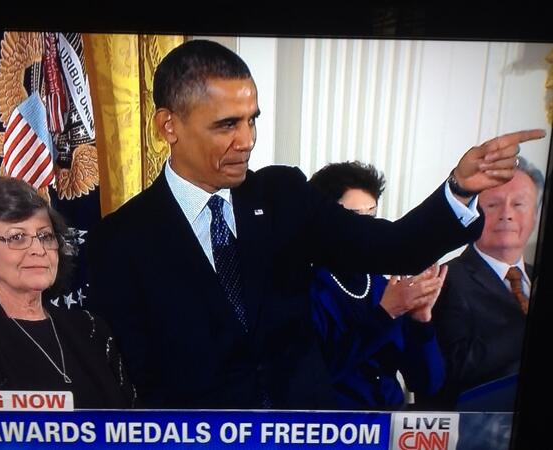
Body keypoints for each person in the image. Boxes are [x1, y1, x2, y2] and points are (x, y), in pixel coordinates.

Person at [86, 39, 545, 409]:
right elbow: (132, 380)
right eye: (227, 125)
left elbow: (394, 247)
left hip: (306, 432)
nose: (247, 141)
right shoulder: (121, 238)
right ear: (169, 126)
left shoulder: (283, 196)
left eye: (252, 121)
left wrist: (460, 189)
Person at [0, 177, 136, 409]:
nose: (38, 250)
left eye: (45, 236)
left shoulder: (91, 329)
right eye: (17, 237)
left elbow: (132, 426)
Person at [308, 161, 446, 410]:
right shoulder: (306, 289)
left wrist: (421, 322)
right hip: (332, 431)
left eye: (371, 217)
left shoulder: (385, 285)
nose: (367, 229)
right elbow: (315, 377)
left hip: (390, 428)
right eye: (353, 219)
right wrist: (384, 315)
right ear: (322, 221)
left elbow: (427, 383)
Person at [426, 156, 544, 409]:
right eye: (493, 205)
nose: (507, 215)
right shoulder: (446, 280)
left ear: (535, 216)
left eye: (519, 204)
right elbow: (453, 370)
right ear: (474, 214)